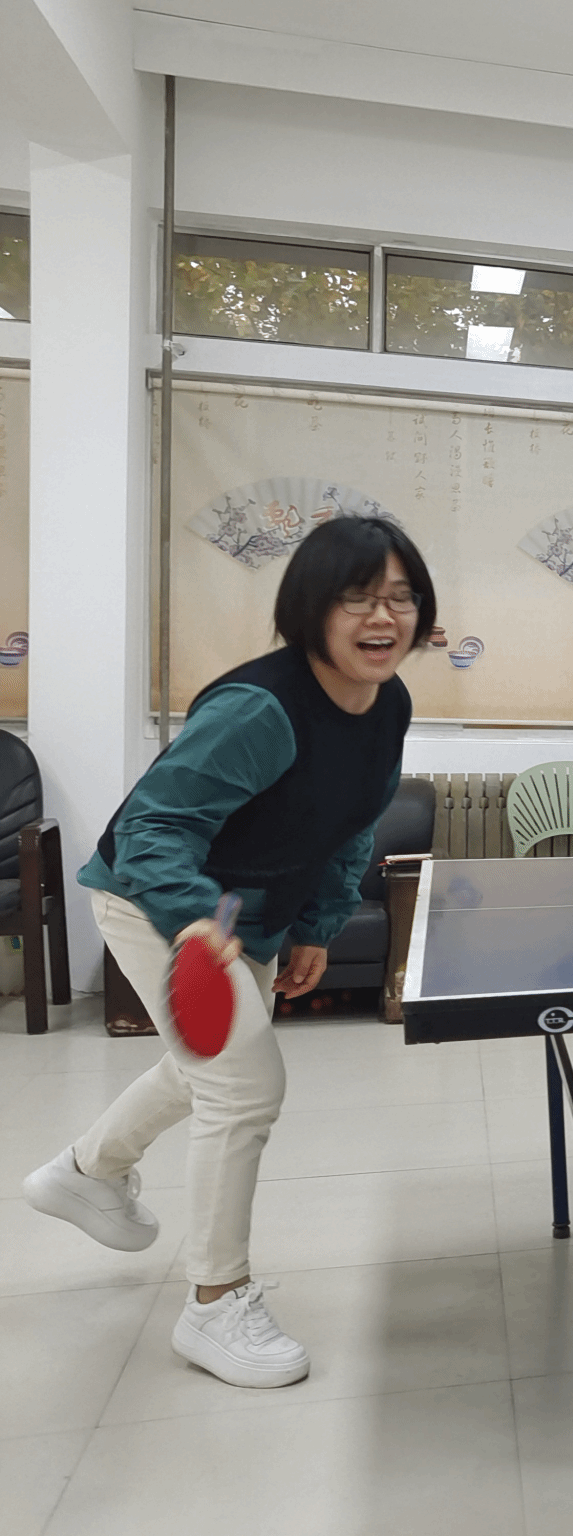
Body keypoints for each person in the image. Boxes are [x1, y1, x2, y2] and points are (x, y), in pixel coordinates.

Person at [22, 516, 431, 1387]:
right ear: (310, 608)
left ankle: (86, 1172)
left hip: (250, 910)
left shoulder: (386, 703)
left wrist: (316, 925)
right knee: (244, 1086)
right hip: (153, 898)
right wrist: (193, 920)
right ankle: (214, 1302)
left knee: (203, 1066)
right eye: (358, 597)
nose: (383, 616)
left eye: (400, 597)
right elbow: (153, 829)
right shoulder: (259, 708)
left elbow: (350, 824)